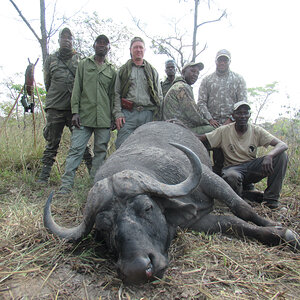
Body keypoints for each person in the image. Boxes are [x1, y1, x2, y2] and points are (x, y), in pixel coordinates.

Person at [199, 101, 288, 209]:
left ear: (249, 115)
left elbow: (282, 144)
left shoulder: (256, 130)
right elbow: (202, 138)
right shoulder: (224, 130)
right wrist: (182, 129)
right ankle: (242, 199)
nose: (242, 116)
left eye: (245, 113)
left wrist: (270, 156)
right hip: (233, 169)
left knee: (281, 156)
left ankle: (271, 201)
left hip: (252, 167)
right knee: (231, 176)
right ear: (233, 116)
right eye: (239, 113)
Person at [58, 34, 117, 194]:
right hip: (83, 116)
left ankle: (94, 186)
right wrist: (75, 112)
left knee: (100, 152)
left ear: (108, 48)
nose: (102, 45)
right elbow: (77, 89)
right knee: (76, 150)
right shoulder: (84, 64)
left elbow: (113, 96)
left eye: (105, 43)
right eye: (99, 43)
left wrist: (113, 117)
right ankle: (66, 186)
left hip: (104, 118)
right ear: (94, 45)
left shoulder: (112, 70)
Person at [37, 27, 93, 183]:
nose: (67, 40)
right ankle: (43, 178)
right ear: (59, 40)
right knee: (52, 143)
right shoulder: (51, 59)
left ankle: (93, 174)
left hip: (75, 110)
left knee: (82, 144)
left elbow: (84, 84)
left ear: (72, 41)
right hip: (55, 107)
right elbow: (48, 82)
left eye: (70, 38)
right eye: (64, 37)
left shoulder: (79, 60)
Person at [197, 49, 248, 175]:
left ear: (229, 61)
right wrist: (210, 119)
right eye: (220, 59)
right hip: (211, 124)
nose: (222, 62)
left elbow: (243, 103)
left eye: (225, 60)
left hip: (231, 124)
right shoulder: (207, 80)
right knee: (202, 150)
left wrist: (231, 119)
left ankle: (240, 181)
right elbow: (201, 103)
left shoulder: (238, 79)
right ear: (216, 61)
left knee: (232, 156)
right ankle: (206, 178)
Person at [113, 37, 163, 149]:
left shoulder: (152, 71)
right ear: (130, 50)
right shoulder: (123, 70)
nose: (138, 50)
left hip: (148, 115)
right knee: (122, 147)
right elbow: (116, 93)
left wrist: (158, 117)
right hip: (128, 115)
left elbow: (159, 96)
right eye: (135, 47)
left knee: (148, 148)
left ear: (144, 50)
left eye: (141, 47)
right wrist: (118, 114)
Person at [162, 62, 213, 134]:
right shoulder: (182, 87)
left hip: (175, 126)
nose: (195, 75)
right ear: (183, 72)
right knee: (214, 129)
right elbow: (194, 115)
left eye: (198, 73)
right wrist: (208, 122)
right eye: (192, 71)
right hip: (179, 129)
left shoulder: (178, 85)